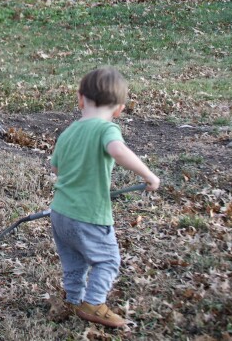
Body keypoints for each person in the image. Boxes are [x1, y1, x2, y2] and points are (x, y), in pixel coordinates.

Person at [48, 66, 159, 328]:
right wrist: (149, 176)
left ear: (80, 99)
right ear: (119, 109)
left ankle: (73, 299)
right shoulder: (106, 130)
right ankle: (94, 303)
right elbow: (118, 151)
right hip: (89, 215)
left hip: (60, 213)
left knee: (74, 262)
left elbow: (55, 167)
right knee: (107, 260)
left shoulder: (68, 132)